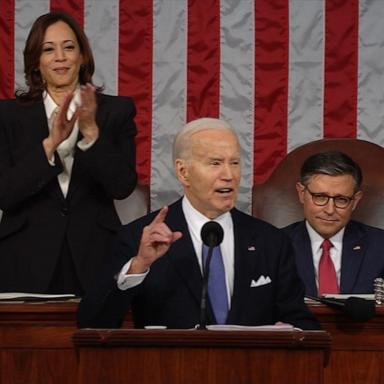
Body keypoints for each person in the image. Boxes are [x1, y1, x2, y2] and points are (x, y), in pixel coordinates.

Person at [77, 117, 319, 330]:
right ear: (183, 172)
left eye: (234, 163)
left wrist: (291, 331)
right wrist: (138, 266)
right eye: (215, 163)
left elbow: (302, 322)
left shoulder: (270, 241)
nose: (229, 174)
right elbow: (93, 322)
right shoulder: (138, 238)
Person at [0, 12, 137, 295]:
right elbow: (5, 193)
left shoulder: (116, 111)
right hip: (24, 257)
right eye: (48, 49)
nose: (60, 56)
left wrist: (91, 134)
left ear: (82, 56)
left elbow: (122, 186)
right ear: (36, 62)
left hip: (96, 254)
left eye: (69, 47)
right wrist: (50, 144)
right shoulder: (8, 116)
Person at [283, 150, 384, 297]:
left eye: (341, 199)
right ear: (301, 193)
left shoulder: (380, 246)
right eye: (320, 197)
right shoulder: (274, 245)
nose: (330, 210)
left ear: (355, 201)